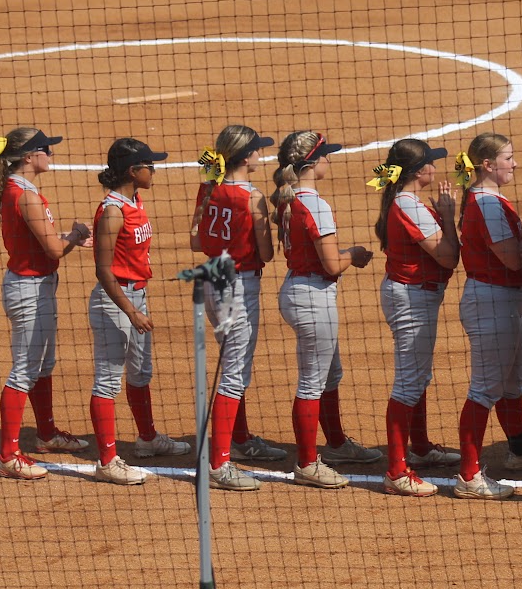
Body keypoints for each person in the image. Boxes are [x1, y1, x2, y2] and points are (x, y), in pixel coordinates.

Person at [0, 128, 92, 480]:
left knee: (43, 364)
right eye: (45, 150)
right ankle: (8, 456)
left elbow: (45, 244)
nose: (50, 155)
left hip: (37, 285)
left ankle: (46, 434)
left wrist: (68, 239)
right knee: (25, 370)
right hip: (28, 290)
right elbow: (54, 250)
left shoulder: (21, 189)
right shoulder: (25, 195)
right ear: (28, 156)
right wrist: (74, 236)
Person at [271, 130, 377, 489]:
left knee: (330, 375)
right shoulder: (315, 203)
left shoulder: (289, 197)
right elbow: (332, 265)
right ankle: (306, 463)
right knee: (312, 383)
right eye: (326, 155)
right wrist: (355, 255)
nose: (329, 160)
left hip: (300, 289)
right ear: (312, 163)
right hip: (312, 296)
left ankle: (335, 445)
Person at [88, 138, 190, 485]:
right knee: (107, 379)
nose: (154, 169)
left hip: (136, 296)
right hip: (114, 302)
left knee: (141, 372)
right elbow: (104, 270)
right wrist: (131, 311)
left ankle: (147, 438)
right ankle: (106, 461)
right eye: (150, 164)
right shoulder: (113, 210)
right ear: (133, 171)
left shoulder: (135, 199)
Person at [452, 133, 522, 501]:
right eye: (508, 158)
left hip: (502, 301)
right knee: (485, 389)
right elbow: (512, 257)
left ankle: (520, 451)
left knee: (510, 385)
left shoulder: (490, 199)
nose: (515, 163)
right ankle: (469, 475)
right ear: (488, 165)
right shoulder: (488, 205)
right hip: (491, 303)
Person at [190, 125, 282, 492]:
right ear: (245, 157)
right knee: (234, 371)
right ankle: (219, 464)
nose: (261, 154)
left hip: (211, 279)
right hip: (239, 286)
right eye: (257, 149)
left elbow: (196, 240)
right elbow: (267, 255)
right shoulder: (253, 197)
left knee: (234, 363)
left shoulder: (208, 187)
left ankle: (241, 440)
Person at [371, 138, 461, 497]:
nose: (435, 167)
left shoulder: (404, 201)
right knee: (409, 381)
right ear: (420, 170)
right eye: (431, 162)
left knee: (418, 374)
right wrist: (450, 219)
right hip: (413, 298)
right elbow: (448, 258)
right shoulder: (410, 207)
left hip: (412, 294)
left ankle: (420, 447)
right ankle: (396, 470)